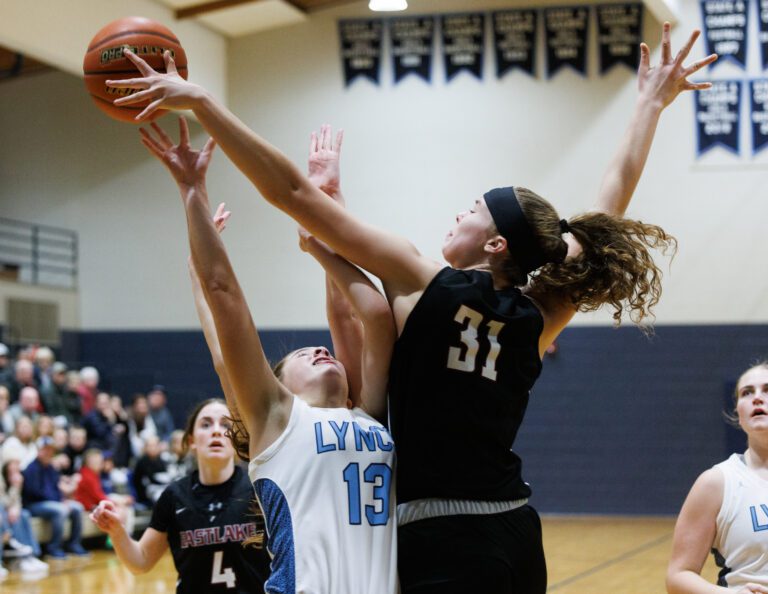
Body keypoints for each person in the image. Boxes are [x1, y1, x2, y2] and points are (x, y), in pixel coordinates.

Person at [114, 23, 713, 593]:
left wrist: (202, 103)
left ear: (496, 242)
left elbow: (290, 195)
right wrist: (648, 108)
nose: (460, 212)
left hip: (440, 535)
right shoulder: (537, 313)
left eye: (473, 208)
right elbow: (606, 211)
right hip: (515, 528)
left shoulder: (421, 281)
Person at [139, 115, 398, 593]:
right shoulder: (278, 420)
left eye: (322, 351)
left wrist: (327, 201)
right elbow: (224, 298)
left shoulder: (370, 413)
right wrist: (192, 189)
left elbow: (345, 314)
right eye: (304, 355)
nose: (323, 349)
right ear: (279, 385)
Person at [91, 399, 271, 594]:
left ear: (236, 438)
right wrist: (117, 531)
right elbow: (141, 561)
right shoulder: (174, 496)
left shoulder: (258, 490)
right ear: (192, 440)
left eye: (226, 424)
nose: (216, 431)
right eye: (206, 424)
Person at [666, 362, 768, 594]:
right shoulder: (716, 483)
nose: (757, 398)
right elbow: (678, 577)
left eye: (767, 390)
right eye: (747, 392)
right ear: (738, 414)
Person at [21, 437, 88, 559]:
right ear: (39, 450)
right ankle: (54, 547)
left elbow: (56, 488)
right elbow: (35, 492)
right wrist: (59, 502)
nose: (48, 453)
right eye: (45, 450)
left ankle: (74, 544)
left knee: (77, 507)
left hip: (52, 502)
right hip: (34, 505)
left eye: (51, 450)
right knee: (60, 510)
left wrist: (62, 500)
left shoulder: (51, 468)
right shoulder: (31, 468)